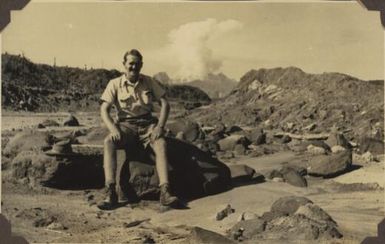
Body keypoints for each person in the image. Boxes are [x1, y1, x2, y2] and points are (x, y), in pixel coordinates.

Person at [97, 49, 178, 210]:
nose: (133, 67)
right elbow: (104, 110)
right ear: (124, 65)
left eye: (137, 63)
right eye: (130, 63)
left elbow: (165, 104)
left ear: (141, 65)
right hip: (126, 126)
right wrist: (113, 129)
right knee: (109, 142)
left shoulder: (149, 82)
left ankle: (165, 191)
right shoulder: (114, 84)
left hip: (148, 125)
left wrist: (160, 127)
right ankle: (110, 191)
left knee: (161, 143)